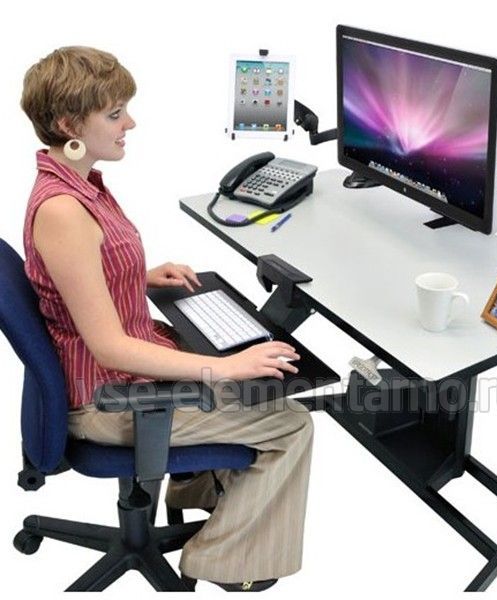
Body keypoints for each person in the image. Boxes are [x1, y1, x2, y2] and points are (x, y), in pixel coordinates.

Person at [20, 46, 314, 592]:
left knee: (234, 363)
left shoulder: (77, 183)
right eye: (114, 114)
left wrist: (139, 277)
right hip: (107, 399)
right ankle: (221, 562)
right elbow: (108, 347)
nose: (129, 123)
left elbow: (77, 281)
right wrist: (226, 369)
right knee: (290, 420)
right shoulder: (62, 210)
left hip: (110, 376)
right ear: (69, 125)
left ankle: (194, 490)